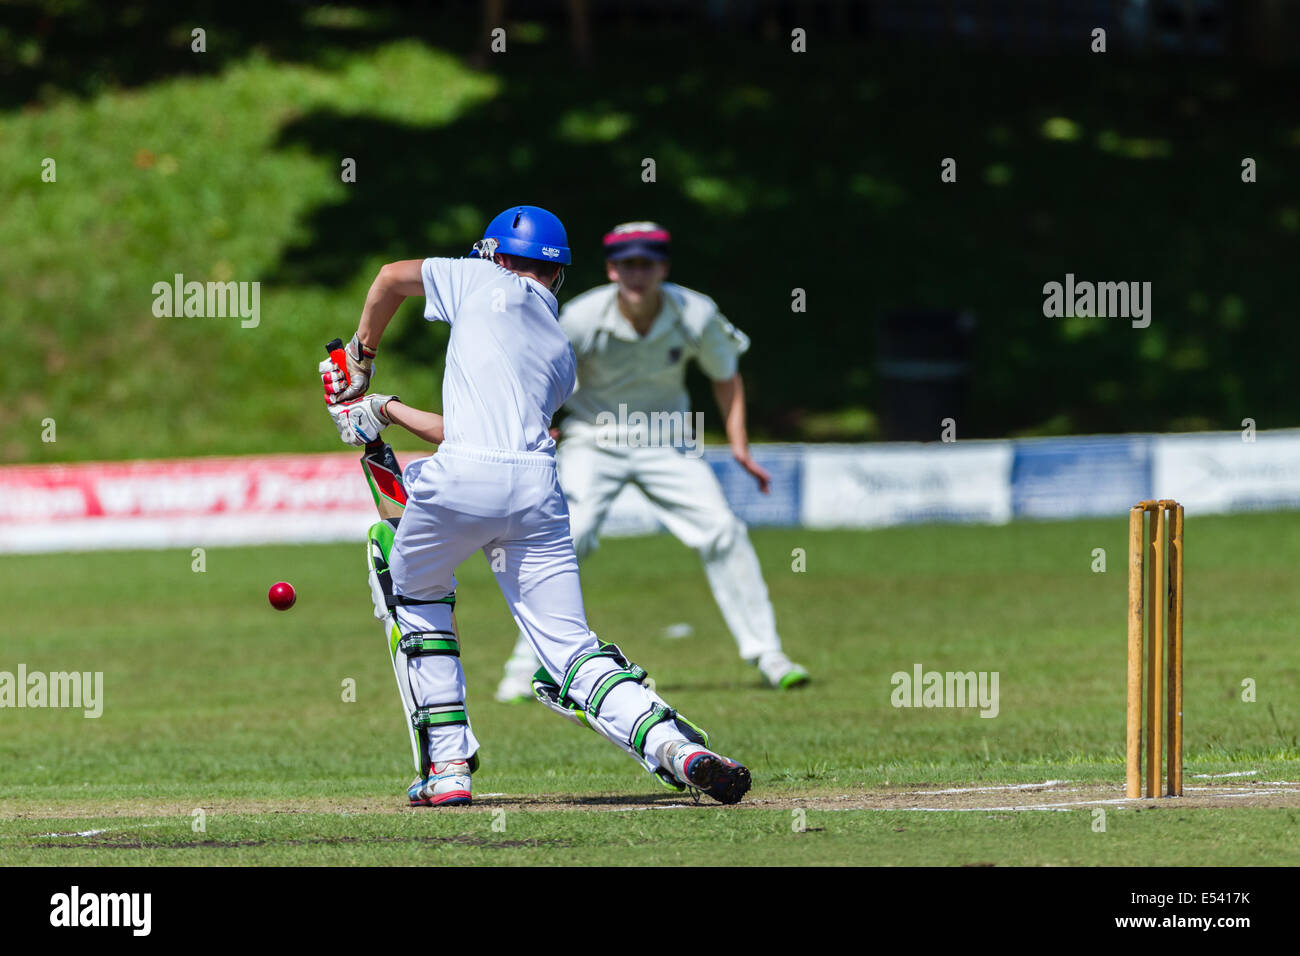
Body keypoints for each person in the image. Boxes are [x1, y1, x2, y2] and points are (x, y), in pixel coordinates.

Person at [321, 206, 750, 807]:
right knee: (571, 647)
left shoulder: (479, 275)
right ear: (558, 274)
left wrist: (361, 360)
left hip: (464, 480)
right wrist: (383, 409)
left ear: (496, 255)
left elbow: (390, 278)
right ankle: (677, 748)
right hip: (536, 492)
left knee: (408, 588)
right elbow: (473, 433)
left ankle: (448, 767)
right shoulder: (560, 351)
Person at [495, 221, 809, 703]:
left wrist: (740, 445)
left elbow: (726, 375)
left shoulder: (696, 312)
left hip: (668, 441)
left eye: (647, 264)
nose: (636, 274)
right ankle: (525, 667)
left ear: (663, 268)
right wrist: (538, 425)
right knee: (569, 537)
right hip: (593, 437)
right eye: (627, 264)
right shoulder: (580, 316)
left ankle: (769, 655)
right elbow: (540, 374)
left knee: (723, 530)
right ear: (611, 270)